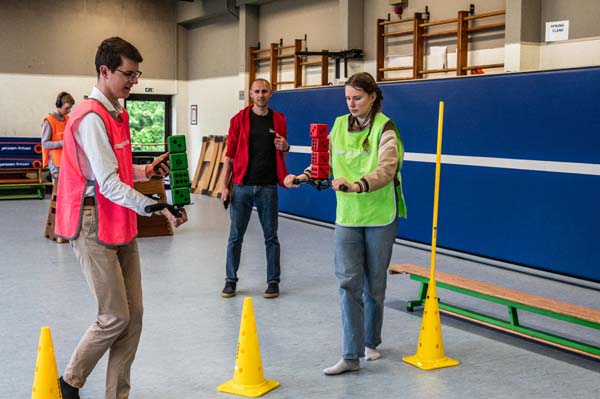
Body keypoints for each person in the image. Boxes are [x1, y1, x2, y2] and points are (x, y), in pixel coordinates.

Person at [54, 36, 187, 399]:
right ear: (104, 70)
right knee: (114, 316)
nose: (133, 81)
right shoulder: (90, 118)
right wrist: (156, 206)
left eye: (137, 74)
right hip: (93, 222)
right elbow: (108, 182)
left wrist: (147, 172)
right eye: (128, 74)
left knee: (134, 317)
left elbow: (119, 170)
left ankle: (117, 395)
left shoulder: (118, 112)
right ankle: (70, 381)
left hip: (118, 218)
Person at [284, 72, 407, 375]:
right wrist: (302, 177)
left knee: (374, 285)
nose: (352, 104)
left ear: (373, 97)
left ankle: (372, 341)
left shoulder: (386, 128)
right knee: (347, 283)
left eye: (358, 98)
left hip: (379, 216)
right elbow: (322, 162)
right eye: (348, 98)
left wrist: (356, 185)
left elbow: (387, 168)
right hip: (347, 218)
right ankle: (350, 355)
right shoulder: (338, 125)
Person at [220, 78, 290, 299]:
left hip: (268, 187)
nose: (261, 95)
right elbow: (229, 156)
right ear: (251, 94)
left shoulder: (279, 119)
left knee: (271, 237)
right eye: (257, 91)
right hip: (242, 186)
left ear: (271, 94)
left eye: (265, 91)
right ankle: (230, 281)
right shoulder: (239, 120)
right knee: (235, 237)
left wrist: (285, 146)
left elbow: (283, 153)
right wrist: (224, 186)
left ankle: (273, 282)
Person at [41, 91, 75, 181]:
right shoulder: (48, 121)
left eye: (70, 108)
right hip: (55, 162)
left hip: (67, 159)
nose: (69, 111)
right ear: (59, 105)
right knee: (59, 188)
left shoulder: (68, 119)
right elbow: (45, 144)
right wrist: (63, 143)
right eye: (67, 108)